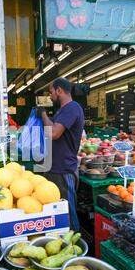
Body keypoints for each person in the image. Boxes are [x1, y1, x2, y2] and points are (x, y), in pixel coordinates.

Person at [36, 77, 85, 231]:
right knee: (58, 211)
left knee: (67, 211)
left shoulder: (72, 108)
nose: (50, 96)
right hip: (55, 168)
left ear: (59, 90)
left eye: (51, 92)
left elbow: (55, 133)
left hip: (64, 170)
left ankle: (75, 246)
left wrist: (43, 114)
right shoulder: (62, 111)